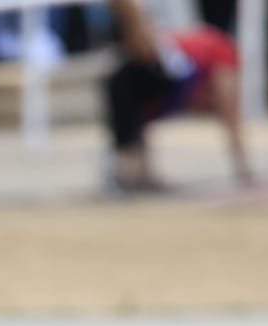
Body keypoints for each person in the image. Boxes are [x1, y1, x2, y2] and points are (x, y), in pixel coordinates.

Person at [102, 0, 252, 194]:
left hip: (163, 70)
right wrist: (244, 169)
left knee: (129, 86)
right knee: (138, 64)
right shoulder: (220, 54)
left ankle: (136, 169)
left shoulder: (216, 59)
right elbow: (231, 114)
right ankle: (136, 169)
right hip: (172, 63)